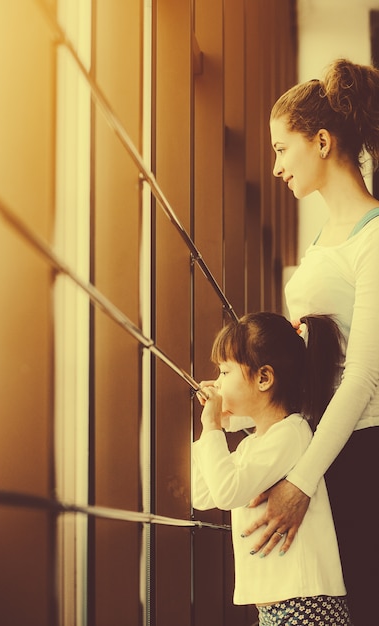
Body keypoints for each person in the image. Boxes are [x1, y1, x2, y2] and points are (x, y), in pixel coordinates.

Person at [240, 58, 379, 625]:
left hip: (360, 455)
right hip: (327, 453)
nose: (274, 167)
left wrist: (301, 480)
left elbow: (363, 375)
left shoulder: (374, 237)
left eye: (279, 148)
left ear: (321, 141)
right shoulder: (327, 238)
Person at [192, 312, 352, 625]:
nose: (218, 382)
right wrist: (214, 429)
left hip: (306, 607)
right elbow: (203, 494)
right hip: (278, 609)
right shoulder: (254, 444)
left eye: (225, 372)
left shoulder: (290, 434)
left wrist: (211, 424)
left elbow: (226, 493)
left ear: (264, 378)